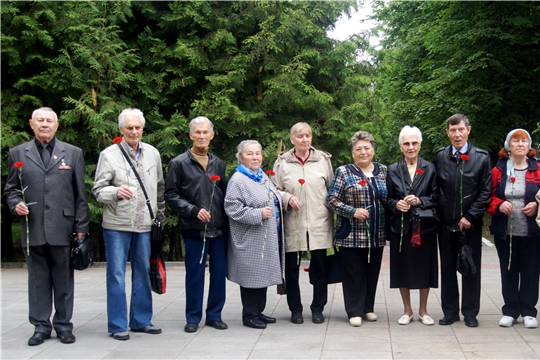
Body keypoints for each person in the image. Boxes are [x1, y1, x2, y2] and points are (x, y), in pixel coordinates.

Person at [4, 107, 89, 346]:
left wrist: (81, 225)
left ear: (57, 125)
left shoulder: (72, 153)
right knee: (38, 281)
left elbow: (79, 193)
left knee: (64, 280)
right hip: (33, 228)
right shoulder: (18, 153)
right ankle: (41, 326)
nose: (44, 124)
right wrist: (16, 203)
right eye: (39, 120)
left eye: (49, 120)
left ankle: (63, 325)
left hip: (63, 226)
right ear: (31, 124)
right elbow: (11, 189)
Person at [92, 108, 165, 341]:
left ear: (143, 129)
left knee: (143, 272)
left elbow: (160, 188)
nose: (134, 131)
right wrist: (114, 191)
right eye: (129, 127)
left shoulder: (153, 153)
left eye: (137, 127)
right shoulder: (109, 154)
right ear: (121, 129)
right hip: (116, 224)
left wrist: (159, 216)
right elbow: (98, 190)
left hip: (145, 224)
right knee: (116, 275)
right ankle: (117, 324)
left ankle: (141, 320)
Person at [165, 116, 228, 333]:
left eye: (205, 132)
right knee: (195, 274)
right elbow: (171, 195)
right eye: (197, 132)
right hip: (193, 229)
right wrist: (192, 210)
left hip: (219, 229)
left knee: (219, 274)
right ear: (191, 135)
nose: (201, 136)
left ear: (212, 135)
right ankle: (192, 317)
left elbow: (223, 195)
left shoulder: (218, 163)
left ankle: (214, 315)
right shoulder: (178, 163)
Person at [272, 122, 334, 325]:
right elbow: (274, 189)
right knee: (291, 269)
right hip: (293, 223)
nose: (305, 139)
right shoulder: (282, 162)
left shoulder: (323, 160)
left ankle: (318, 308)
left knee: (320, 268)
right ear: (292, 139)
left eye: (308, 135)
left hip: (319, 222)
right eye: (300, 136)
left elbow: (331, 187)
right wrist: (286, 198)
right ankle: (295, 309)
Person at [434, 113, 491, 327]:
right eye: (453, 130)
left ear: (469, 130)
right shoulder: (440, 156)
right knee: (447, 270)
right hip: (446, 225)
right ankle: (450, 312)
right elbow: (436, 188)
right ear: (447, 132)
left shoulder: (482, 157)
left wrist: (470, 216)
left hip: (471, 226)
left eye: (461, 129)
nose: (457, 134)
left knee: (471, 268)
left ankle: (470, 313)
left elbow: (485, 192)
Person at [327, 131, 388, 327]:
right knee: (354, 272)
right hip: (351, 234)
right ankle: (354, 310)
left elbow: (389, 198)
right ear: (352, 153)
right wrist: (352, 211)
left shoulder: (383, 170)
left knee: (373, 271)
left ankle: (367, 308)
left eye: (367, 148)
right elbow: (331, 200)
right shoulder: (344, 172)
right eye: (358, 149)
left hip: (377, 234)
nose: (363, 152)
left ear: (373, 150)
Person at [224, 140, 285, 329]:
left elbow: (274, 197)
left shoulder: (261, 177)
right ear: (241, 157)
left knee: (263, 275)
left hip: (265, 236)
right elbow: (232, 208)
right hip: (250, 237)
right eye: (250, 154)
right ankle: (250, 315)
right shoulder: (238, 180)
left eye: (258, 153)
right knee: (251, 277)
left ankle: (259, 311)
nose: (255, 157)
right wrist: (258, 214)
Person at [488, 129, 540, 328]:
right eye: (515, 141)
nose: (520, 144)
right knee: (508, 270)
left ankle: (528, 311)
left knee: (530, 271)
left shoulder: (537, 169)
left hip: (532, 232)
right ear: (508, 146)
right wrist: (499, 205)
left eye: (524, 141)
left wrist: (537, 206)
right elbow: (489, 197)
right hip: (505, 231)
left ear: (529, 147)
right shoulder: (498, 170)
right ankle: (510, 310)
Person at [386, 126, 439, 326]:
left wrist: (420, 200)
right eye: (406, 143)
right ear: (400, 147)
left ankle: (423, 310)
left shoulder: (430, 167)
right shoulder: (393, 169)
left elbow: (437, 196)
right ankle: (407, 310)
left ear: (420, 145)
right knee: (402, 267)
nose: (410, 147)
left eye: (414, 143)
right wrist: (396, 204)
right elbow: (387, 198)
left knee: (425, 267)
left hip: (424, 226)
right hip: (401, 227)